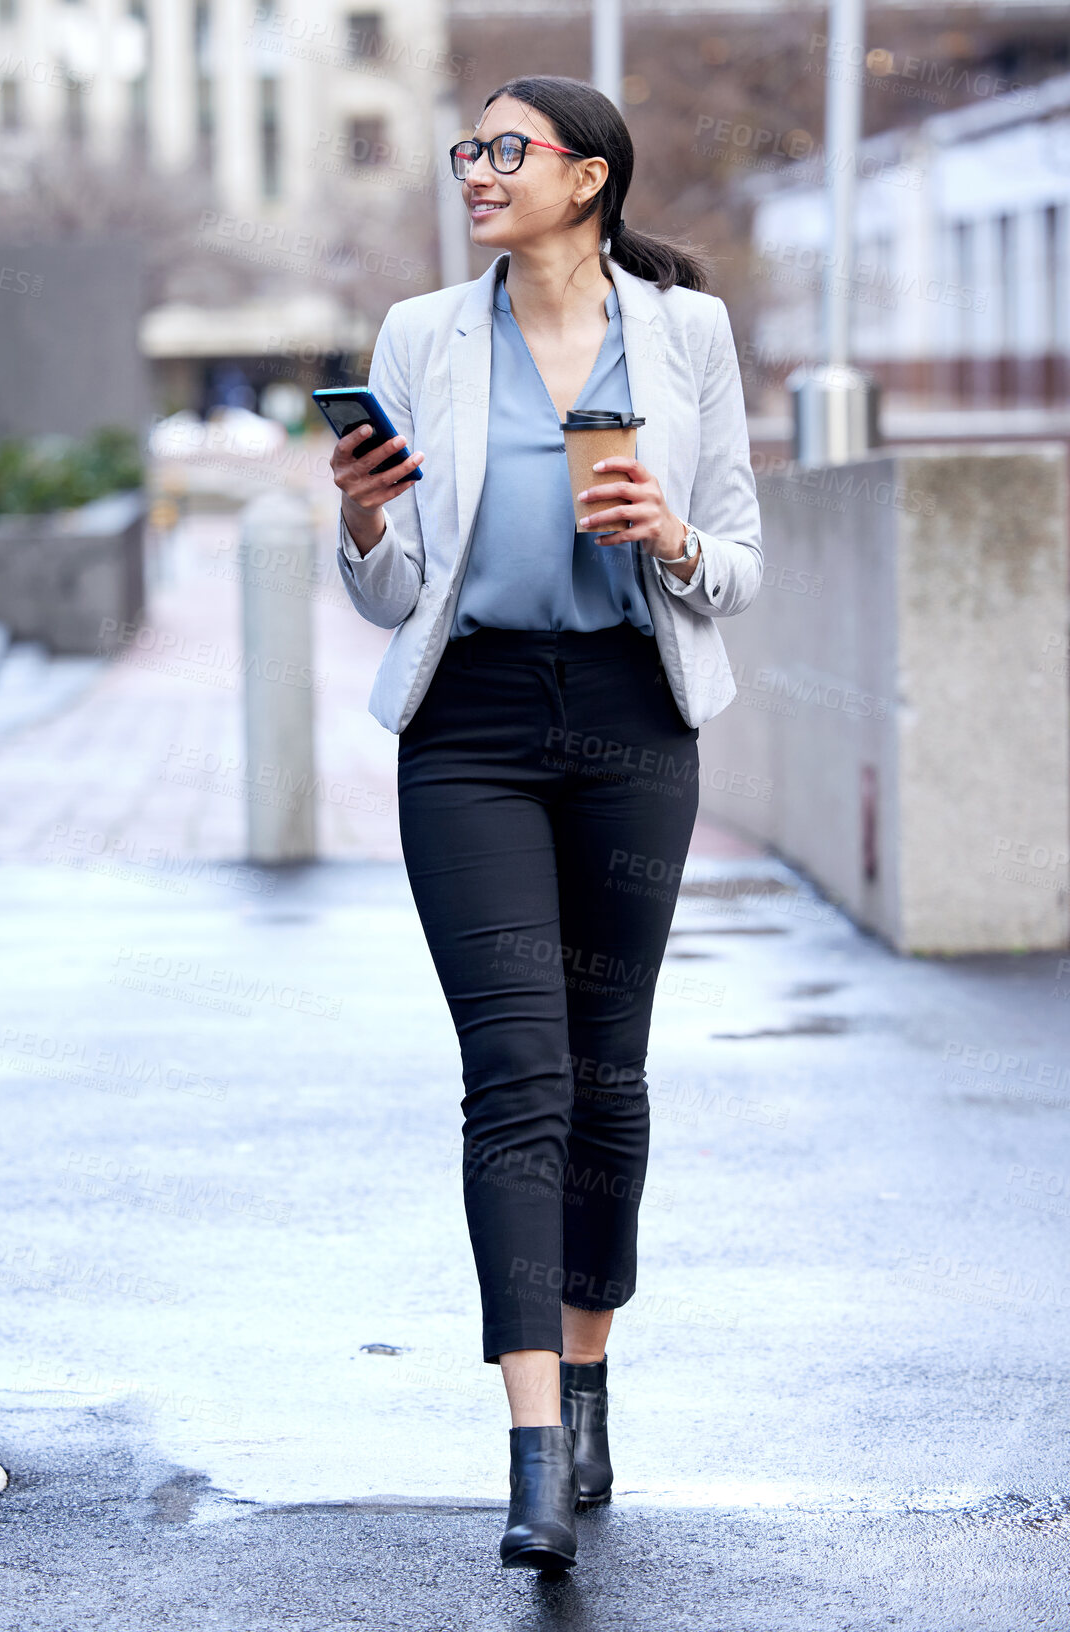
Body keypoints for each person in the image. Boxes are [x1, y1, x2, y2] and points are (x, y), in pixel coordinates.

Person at [328, 73, 763, 1573]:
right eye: (469, 149)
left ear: (587, 179)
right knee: (514, 1077)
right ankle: (527, 1453)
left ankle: (587, 1381)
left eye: (506, 150)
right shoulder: (422, 334)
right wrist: (368, 517)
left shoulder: (685, 333)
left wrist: (676, 537)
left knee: (606, 1073)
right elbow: (393, 592)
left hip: (635, 720)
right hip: (473, 728)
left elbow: (744, 559)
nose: (477, 170)